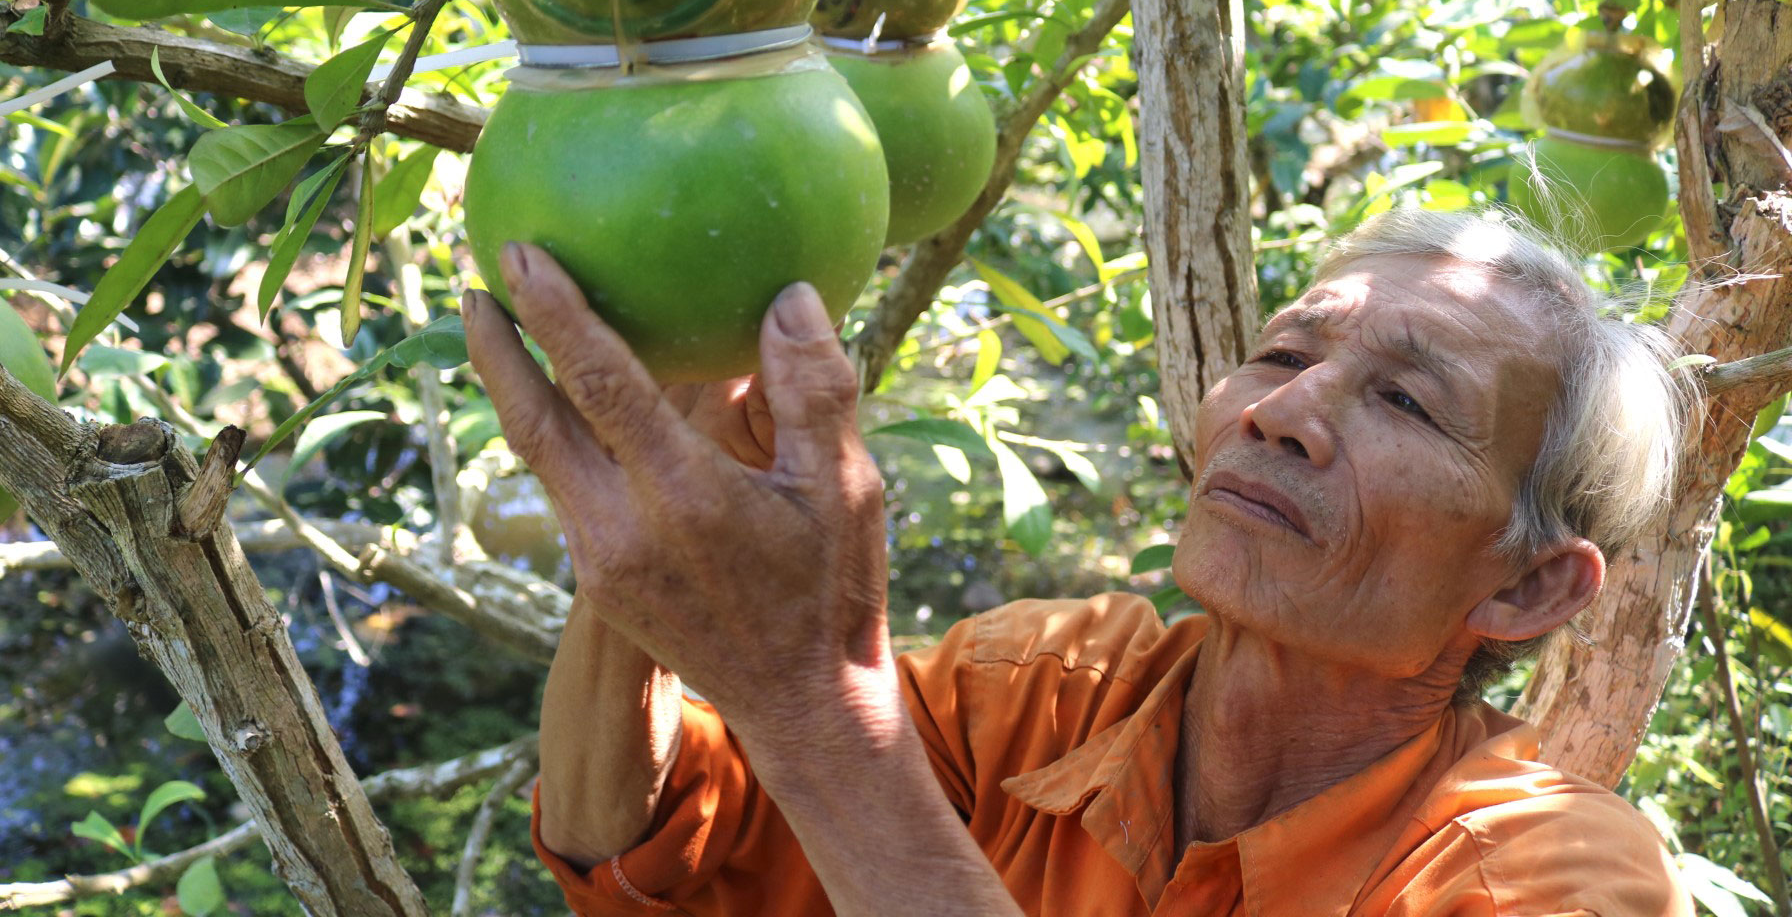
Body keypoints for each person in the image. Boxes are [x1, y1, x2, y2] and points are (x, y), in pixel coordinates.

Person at [460, 208, 1695, 915]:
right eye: (1279, 355)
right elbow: (644, 849)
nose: (1285, 411)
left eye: (1409, 404)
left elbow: (813, 750)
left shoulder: (1549, 878)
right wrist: (649, 514)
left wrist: (808, 701)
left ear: (1528, 583)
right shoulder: (1046, 689)